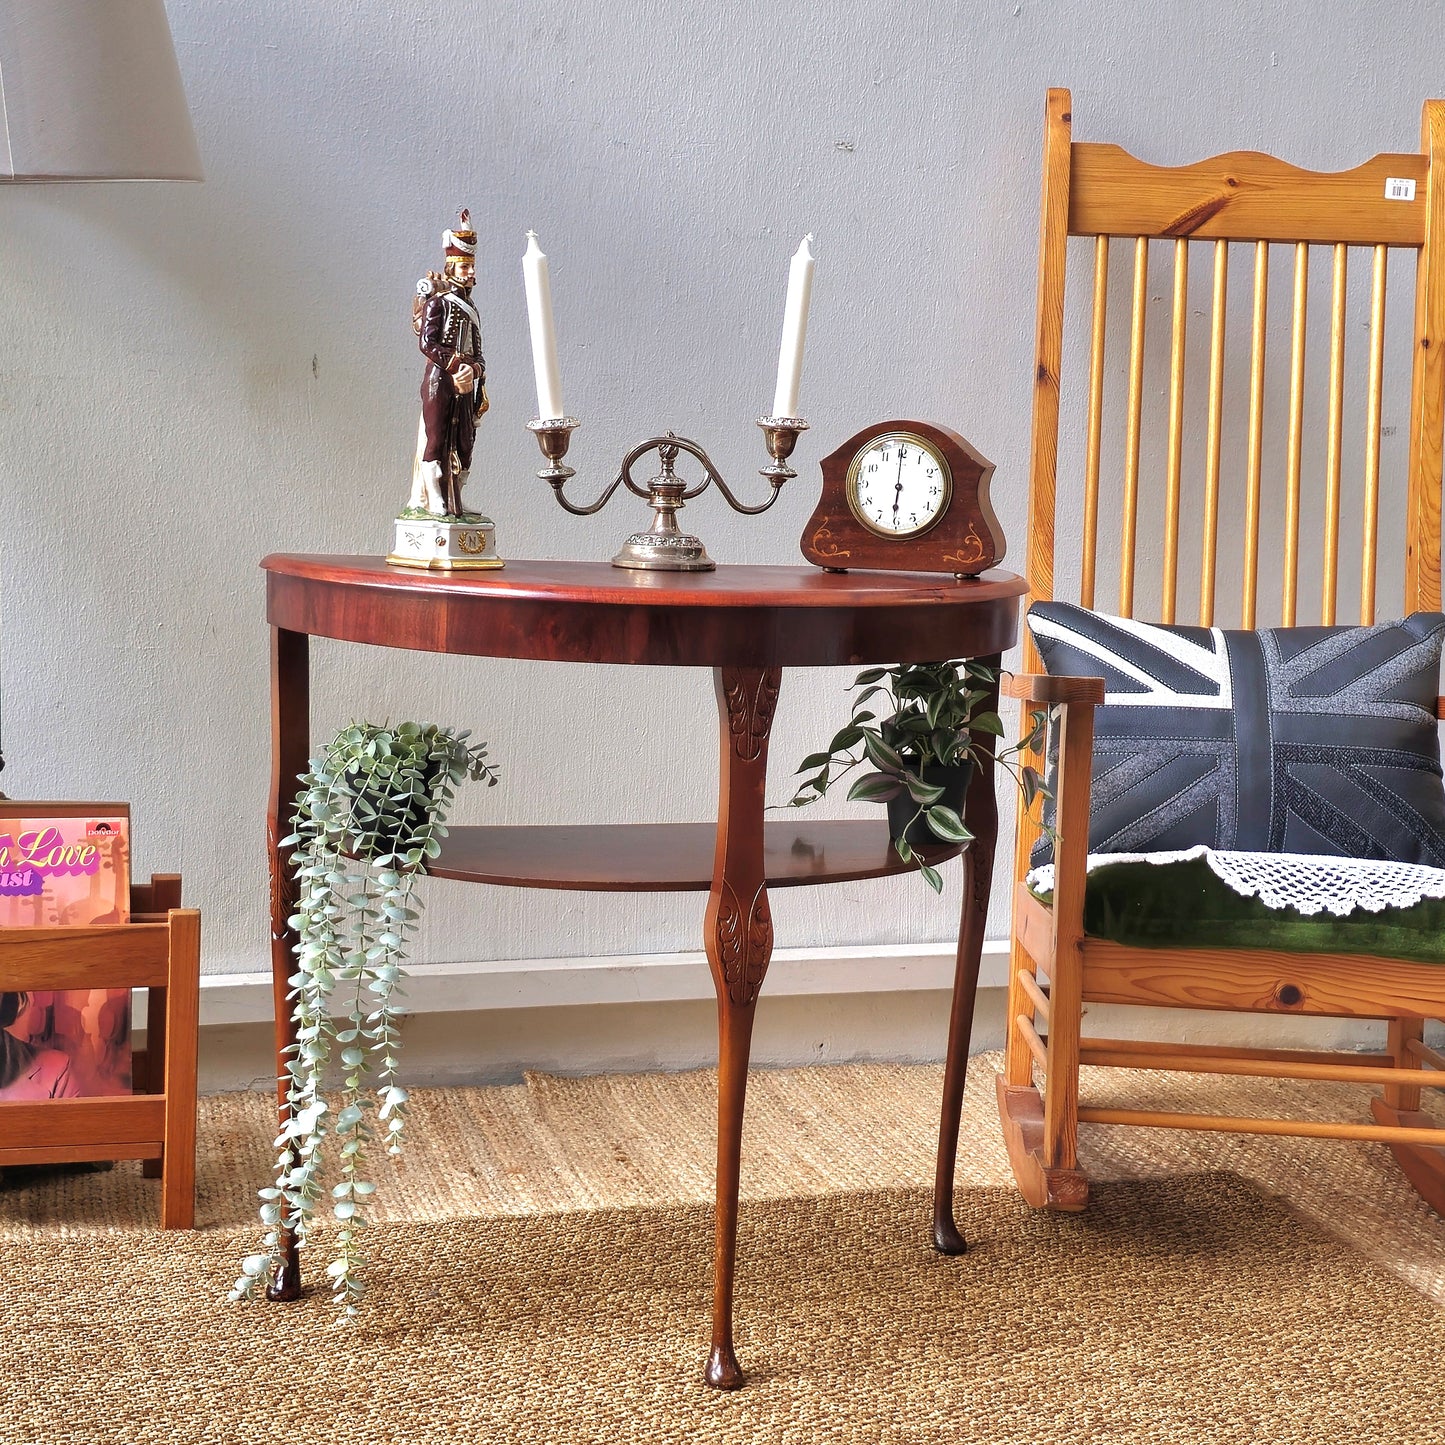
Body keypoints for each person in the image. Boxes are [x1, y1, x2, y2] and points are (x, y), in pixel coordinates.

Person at [408, 209, 488, 519]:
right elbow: (427, 343)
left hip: (466, 384)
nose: (470, 272)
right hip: (439, 380)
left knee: (465, 442)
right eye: (465, 266)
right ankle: (434, 496)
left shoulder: (472, 308)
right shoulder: (438, 304)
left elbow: (479, 355)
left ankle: (457, 497)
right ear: (452, 268)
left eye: (472, 266)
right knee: (437, 439)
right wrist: (455, 366)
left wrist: (473, 370)